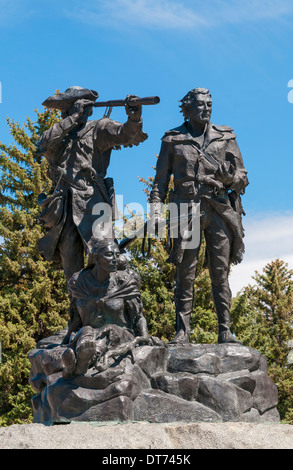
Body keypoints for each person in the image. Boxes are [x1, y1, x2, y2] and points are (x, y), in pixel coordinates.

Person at [36, 86, 148, 338]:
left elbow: (127, 135)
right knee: (71, 265)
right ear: (69, 108)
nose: (82, 108)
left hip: (94, 203)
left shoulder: (99, 127)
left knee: (109, 258)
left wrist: (134, 116)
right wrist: (73, 119)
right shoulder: (60, 131)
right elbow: (42, 145)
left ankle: (126, 318)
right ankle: (75, 320)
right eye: (75, 105)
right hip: (64, 206)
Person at [150, 87, 249, 344]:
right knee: (186, 274)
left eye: (209, 104)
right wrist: (154, 213)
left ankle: (225, 330)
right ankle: (183, 331)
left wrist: (231, 178)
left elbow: (243, 176)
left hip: (219, 209)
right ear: (187, 108)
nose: (206, 109)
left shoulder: (225, 137)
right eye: (200, 105)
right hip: (185, 211)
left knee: (220, 272)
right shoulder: (172, 140)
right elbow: (160, 183)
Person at [62, 238, 150, 377]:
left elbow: (138, 317)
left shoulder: (125, 283)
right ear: (96, 257)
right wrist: (67, 338)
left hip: (121, 335)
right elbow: (76, 319)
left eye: (117, 255)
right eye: (109, 255)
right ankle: (81, 355)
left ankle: (79, 363)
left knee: (109, 329)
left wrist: (145, 337)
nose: (115, 259)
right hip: (89, 334)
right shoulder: (78, 282)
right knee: (86, 330)